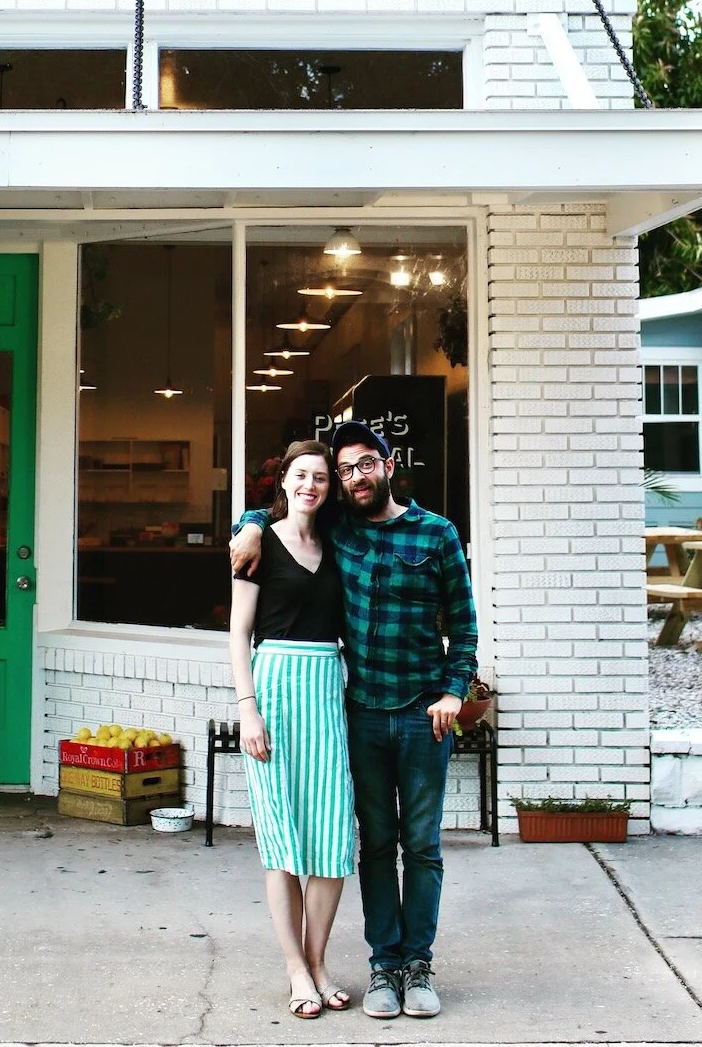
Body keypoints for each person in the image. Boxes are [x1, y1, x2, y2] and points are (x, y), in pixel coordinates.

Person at [231, 421, 478, 1022]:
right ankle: (380, 967)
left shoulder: (436, 532)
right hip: (359, 710)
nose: (350, 478)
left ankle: (415, 965)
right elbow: (277, 515)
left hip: (421, 714)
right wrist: (252, 525)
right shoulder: (334, 529)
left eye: (362, 465)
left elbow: (465, 626)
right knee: (370, 847)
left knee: (418, 845)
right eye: (342, 471)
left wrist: (453, 691)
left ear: (388, 466)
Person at [229, 438, 355, 1021]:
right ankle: (294, 969)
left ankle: (319, 960)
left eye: (321, 478)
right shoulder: (258, 544)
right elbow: (238, 635)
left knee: (331, 838)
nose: (311, 485)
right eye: (301, 475)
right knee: (282, 839)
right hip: (275, 688)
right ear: (282, 480)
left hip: (326, 690)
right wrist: (247, 708)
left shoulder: (338, 542)